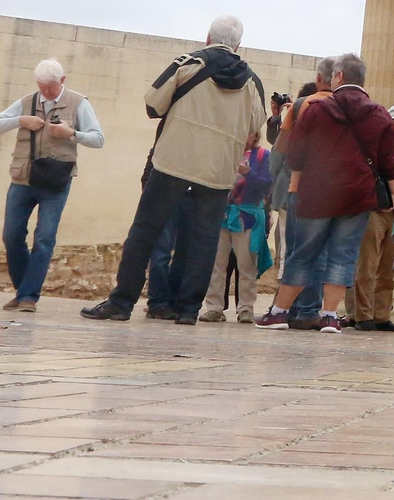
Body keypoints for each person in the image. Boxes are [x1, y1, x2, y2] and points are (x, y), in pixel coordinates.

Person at [83, 17, 265, 324]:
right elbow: (253, 126)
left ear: (208, 37)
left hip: (173, 162)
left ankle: (121, 302)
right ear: (238, 45)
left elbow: (153, 104)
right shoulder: (252, 82)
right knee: (204, 240)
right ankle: (188, 310)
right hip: (218, 170)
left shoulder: (187, 65)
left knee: (145, 231)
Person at [255, 53, 394, 333]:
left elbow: (296, 152)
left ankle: (279, 312)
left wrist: (297, 180)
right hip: (358, 195)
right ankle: (330, 316)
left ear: (339, 77)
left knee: (304, 253)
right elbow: (389, 159)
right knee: (343, 255)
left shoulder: (318, 109)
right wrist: (391, 194)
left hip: (317, 192)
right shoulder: (379, 113)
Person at [0, 58, 106, 312]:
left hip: (55, 182)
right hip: (22, 178)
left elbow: (98, 139)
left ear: (63, 80)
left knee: (45, 237)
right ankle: (23, 290)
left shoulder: (79, 103)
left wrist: (71, 133)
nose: (45, 92)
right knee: (11, 235)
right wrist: (20, 121)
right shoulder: (26, 102)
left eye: (50, 87)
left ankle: (28, 296)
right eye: (41, 86)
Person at [277, 65, 334, 328]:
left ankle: (290, 308)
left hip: (299, 185)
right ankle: (310, 309)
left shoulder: (302, 105)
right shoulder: (349, 107)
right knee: (321, 252)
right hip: (331, 188)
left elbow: (281, 146)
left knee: (296, 250)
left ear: (319, 78)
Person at [200, 133, 274, 322]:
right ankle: (214, 307)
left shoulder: (263, 155)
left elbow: (267, 184)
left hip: (247, 215)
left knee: (247, 264)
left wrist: (247, 172)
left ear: (255, 134)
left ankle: (246, 308)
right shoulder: (225, 151)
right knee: (217, 264)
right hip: (221, 213)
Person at [347, 105, 394, 331]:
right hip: (374, 209)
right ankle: (362, 314)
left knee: (387, 267)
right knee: (367, 263)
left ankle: (381, 314)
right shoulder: (374, 148)